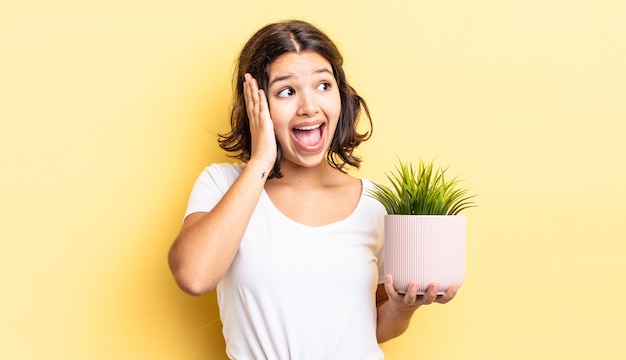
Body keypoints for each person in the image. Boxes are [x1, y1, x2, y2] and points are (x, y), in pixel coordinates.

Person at [168, 19, 458, 359]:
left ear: (341, 95)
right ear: (257, 105)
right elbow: (194, 276)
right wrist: (261, 161)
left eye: (323, 85)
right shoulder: (223, 184)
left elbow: (369, 328)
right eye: (287, 91)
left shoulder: (376, 204)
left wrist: (402, 307)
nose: (309, 106)